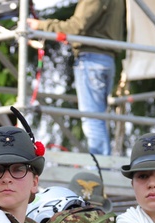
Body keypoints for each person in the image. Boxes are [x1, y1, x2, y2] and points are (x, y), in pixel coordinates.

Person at [27, 0, 126, 156]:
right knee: (97, 117)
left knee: (92, 119)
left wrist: (39, 25)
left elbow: (75, 27)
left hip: (92, 59)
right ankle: (102, 165)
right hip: (105, 58)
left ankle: (99, 167)